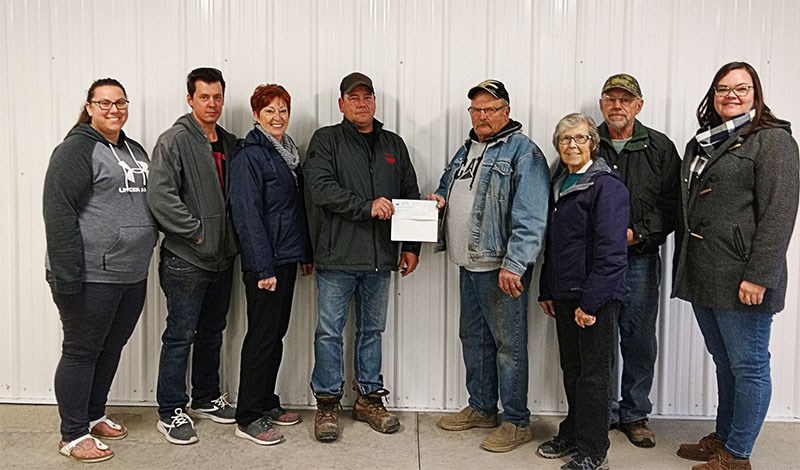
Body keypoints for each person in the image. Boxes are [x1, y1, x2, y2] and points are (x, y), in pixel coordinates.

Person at [673, 62, 799, 470]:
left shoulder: (773, 141)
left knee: (748, 366)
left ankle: (738, 454)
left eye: (741, 88)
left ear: (756, 94)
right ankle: (724, 438)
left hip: (743, 276)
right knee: (724, 362)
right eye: (723, 88)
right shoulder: (704, 142)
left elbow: (780, 213)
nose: (731, 95)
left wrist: (759, 276)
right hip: (705, 273)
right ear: (713, 95)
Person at [428, 79, 550, 453]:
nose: (482, 116)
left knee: (509, 346)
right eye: (476, 110)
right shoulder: (468, 149)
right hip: (468, 263)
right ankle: (482, 408)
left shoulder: (523, 152)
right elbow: (451, 190)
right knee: (475, 339)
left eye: (490, 109)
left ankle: (516, 420)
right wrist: (439, 198)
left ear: (506, 112)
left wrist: (515, 264)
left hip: (500, 269)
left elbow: (531, 215)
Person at [44, 78, 157, 462]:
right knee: (81, 351)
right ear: (90, 106)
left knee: (110, 347)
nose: (114, 110)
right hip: (89, 274)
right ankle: (72, 434)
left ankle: (93, 415)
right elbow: (58, 213)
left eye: (121, 102)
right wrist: (66, 275)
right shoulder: (76, 150)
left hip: (131, 271)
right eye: (105, 103)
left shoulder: (134, 149)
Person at [303, 72, 421, 442]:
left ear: (374, 102)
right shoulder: (326, 140)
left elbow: (409, 194)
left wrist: (412, 247)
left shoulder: (393, 144)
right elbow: (321, 189)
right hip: (337, 257)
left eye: (367, 96)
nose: (361, 103)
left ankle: (369, 398)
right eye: (353, 97)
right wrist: (365, 207)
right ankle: (326, 403)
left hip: (380, 260)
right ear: (341, 104)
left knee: (373, 332)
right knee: (329, 334)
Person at [147, 67, 239, 445]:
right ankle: (170, 410)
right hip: (187, 259)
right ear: (190, 99)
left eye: (217, 96)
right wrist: (198, 232)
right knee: (180, 336)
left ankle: (206, 397)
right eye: (204, 97)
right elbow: (160, 197)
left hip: (223, 258)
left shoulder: (230, 142)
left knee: (212, 332)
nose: (212, 104)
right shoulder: (173, 141)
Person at [537, 113, 629, 470]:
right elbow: (554, 244)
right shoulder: (560, 182)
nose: (571, 145)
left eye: (579, 138)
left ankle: (593, 451)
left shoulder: (607, 186)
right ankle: (573, 433)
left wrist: (591, 302)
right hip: (564, 293)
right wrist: (548, 288)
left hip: (595, 297)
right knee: (572, 368)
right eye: (564, 140)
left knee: (594, 374)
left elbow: (611, 251)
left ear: (593, 142)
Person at [596, 73, 681, 447]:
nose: (617, 105)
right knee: (598, 338)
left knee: (638, 338)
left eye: (625, 100)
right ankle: (602, 412)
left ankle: (634, 414)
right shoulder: (586, 141)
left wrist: (639, 234)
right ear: (602, 104)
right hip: (595, 264)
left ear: (638, 105)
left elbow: (673, 206)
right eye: (611, 98)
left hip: (640, 260)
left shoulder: (660, 148)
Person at [229, 84, 313, 446]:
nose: (277, 117)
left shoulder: (287, 153)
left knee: (274, 335)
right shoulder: (250, 156)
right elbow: (248, 216)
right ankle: (247, 416)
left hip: (287, 258)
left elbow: (294, 211)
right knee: (261, 337)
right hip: (266, 264)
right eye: (269, 111)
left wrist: (304, 254)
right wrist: (262, 269)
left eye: (283, 110)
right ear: (256, 115)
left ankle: (266, 402)